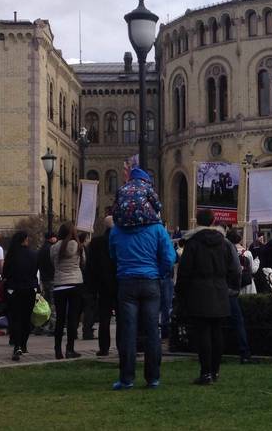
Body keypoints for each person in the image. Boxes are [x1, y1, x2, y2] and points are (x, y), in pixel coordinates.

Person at [109, 160, 176, 390]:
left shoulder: (117, 230)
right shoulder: (157, 229)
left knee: (127, 332)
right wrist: (160, 272)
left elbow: (113, 254)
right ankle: (153, 377)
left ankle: (127, 379)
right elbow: (169, 257)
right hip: (151, 283)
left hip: (126, 282)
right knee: (152, 331)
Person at [176, 210, 239, 384]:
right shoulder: (225, 243)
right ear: (213, 222)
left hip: (199, 291)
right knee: (217, 332)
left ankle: (206, 373)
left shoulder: (193, 243)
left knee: (203, 332)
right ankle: (215, 371)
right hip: (219, 290)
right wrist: (231, 287)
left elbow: (184, 271)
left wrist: (181, 293)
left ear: (197, 222)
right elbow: (235, 269)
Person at [50, 222, 86, 359]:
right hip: (75, 283)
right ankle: (70, 349)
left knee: (60, 319)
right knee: (72, 319)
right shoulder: (77, 246)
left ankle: (57, 350)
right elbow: (83, 262)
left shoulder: (53, 248)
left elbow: (52, 262)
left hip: (59, 284)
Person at [3, 231, 39, 361]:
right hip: (29, 289)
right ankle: (23, 344)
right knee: (26, 318)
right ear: (24, 240)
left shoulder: (12, 255)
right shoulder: (33, 254)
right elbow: (35, 271)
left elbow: (5, 272)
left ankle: (17, 344)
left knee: (16, 318)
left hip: (14, 289)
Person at [86, 216, 118, 357]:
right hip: (119, 282)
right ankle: (122, 345)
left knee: (104, 318)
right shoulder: (120, 240)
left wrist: (92, 287)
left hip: (102, 285)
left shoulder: (96, 242)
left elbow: (90, 267)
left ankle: (103, 347)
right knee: (122, 317)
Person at [226, 230, 258, 364]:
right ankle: (244, 352)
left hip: (220, 289)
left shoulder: (224, 249)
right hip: (236, 289)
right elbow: (243, 270)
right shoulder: (245, 253)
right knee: (238, 321)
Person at [37, 231, 57, 337]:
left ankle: (41, 325)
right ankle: (53, 326)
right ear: (52, 238)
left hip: (44, 279)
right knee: (53, 303)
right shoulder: (52, 249)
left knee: (46, 303)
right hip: (52, 278)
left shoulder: (41, 250)